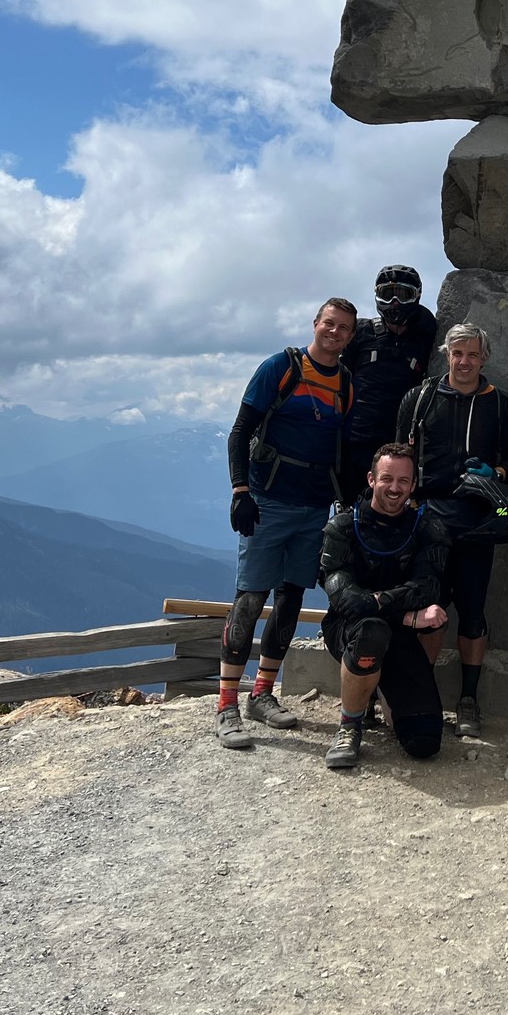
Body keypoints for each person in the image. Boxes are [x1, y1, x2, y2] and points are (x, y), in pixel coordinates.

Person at [216, 297, 357, 749]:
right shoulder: (280, 366)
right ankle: (226, 705)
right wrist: (240, 491)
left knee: (291, 596)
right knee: (250, 598)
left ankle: (263, 694)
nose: (334, 333)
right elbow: (240, 431)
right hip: (269, 500)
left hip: (314, 506)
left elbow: (341, 449)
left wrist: (343, 503)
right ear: (315, 324)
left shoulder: (346, 384)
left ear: (351, 336)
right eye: (329, 324)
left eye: (343, 328)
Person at [396, 322, 508, 739]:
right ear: (446, 355)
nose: (464, 361)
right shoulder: (420, 399)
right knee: (427, 612)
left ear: (484, 357)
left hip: (476, 520)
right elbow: (400, 454)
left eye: (472, 354)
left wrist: (498, 471)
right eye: (457, 353)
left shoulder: (500, 403)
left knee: (472, 611)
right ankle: (419, 693)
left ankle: (469, 699)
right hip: (425, 519)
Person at [318, 443, 450, 770]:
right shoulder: (343, 528)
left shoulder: (426, 528)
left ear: (413, 485)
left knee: (425, 743)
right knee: (372, 631)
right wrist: (406, 614)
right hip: (349, 630)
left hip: (401, 635)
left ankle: (393, 695)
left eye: (403, 481)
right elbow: (345, 600)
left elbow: (429, 588)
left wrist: (380, 602)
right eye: (387, 478)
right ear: (371, 479)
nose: (395, 488)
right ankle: (350, 725)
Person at [340, 265, 438, 490]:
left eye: (403, 295)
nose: (395, 302)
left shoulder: (426, 336)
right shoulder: (362, 332)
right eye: (387, 294)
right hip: (354, 443)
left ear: (417, 296)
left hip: (399, 447)